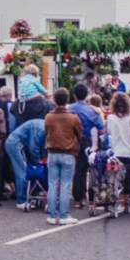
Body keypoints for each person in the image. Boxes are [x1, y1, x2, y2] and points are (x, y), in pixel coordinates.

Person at [44, 88, 82, 225]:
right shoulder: (73, 117)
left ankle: (52, 215)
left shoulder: (48, 116)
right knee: (65, 185)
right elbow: (79, 133)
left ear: (54, 100)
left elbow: (46, 131)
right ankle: (64, 215)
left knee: (52, 184)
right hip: (68, 153)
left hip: (52, 153)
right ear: (67, 100)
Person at [68, 82, 105, 210]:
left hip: (73, 140)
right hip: (89, 141)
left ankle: (78, 199)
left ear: (74, 95)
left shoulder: (69, 109)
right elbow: (102, 128)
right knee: (93, 170)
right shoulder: (90, 110)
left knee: (79, 170)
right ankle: (92, 198)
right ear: (86, 96)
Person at [106, 92, 130, 215]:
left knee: (116, 179)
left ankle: (118, 202)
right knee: (129, 178)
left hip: (117, 151)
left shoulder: (110, 118)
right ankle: (126, 201)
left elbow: (109, 132)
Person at [5, 117, 46, 209]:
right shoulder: (41, 129)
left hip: (15, 142)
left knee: (23, 171)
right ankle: (21, 201)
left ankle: (23, 197)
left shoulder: (42, 125)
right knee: (22, 172)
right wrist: (38, 162)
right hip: (15, 144)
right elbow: (33, 147)